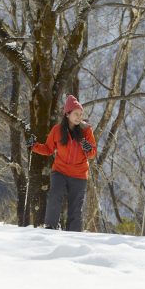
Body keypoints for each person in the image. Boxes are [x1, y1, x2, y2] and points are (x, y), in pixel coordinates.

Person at [26, 95, 97, 231]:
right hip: (60, 171)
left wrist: (88, 148)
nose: (79, 117)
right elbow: (48, 149)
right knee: (55, 195)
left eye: (81, 114)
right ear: (67, 114)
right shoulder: (57, 130)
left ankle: (74, 233)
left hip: (79, 174)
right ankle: (51, 226)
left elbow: (92, 153)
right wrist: (34, 145)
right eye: (76, 114)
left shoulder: (86, 130)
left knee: (76, 207)